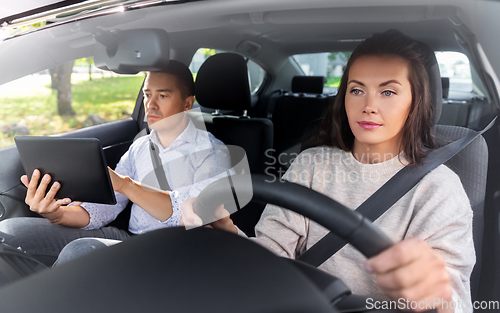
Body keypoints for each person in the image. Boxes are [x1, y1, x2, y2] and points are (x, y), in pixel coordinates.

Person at [182, 30, 475, 312]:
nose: (369, 106)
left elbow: (457, 300)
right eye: (357, 89)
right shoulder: (312, 163)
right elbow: (273, 258)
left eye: (388, 91)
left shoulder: (438, 188)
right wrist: (230, 234)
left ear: (415, 102)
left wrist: (434, 297)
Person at [0, 60, 231, 266]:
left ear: (187, 103)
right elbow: (105, 209)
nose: (150, 104)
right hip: (129, 239)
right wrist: (58, 214)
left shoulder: (213, 153)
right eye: (147, 94)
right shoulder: (140, 146)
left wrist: (125, 185)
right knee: (9, 233)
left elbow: (196, 216)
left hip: (176, 250)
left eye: (162, 95)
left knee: (79, 252)